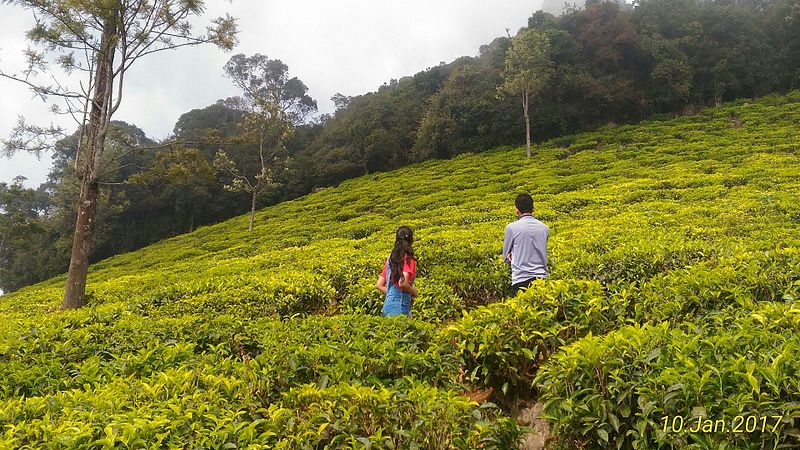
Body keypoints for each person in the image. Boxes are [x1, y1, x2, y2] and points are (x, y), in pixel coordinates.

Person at [502, 193, 549, 296]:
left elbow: (505, 257)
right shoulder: (544, 228)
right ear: (533, 208)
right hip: (541, 279)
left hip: (520, 279)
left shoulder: (511, 228)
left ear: (517, 209)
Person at [375, 225, 418, 317]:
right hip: (400, 306)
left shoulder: (391, 259)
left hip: (387, 306)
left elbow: (379, 285)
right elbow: (402, 283)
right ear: (411, 240)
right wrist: (413, 291)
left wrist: (392, 294)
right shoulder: (408, 259)